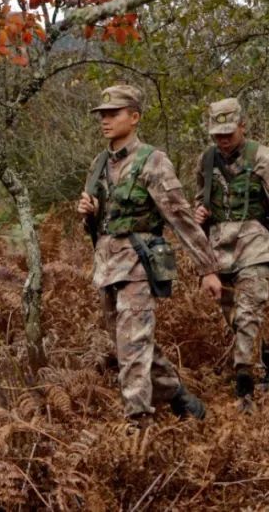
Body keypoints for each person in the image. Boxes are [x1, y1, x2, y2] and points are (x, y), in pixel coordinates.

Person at [77, 84, 223, 425]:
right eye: (102, 115)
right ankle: (178, 396)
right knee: (128, 342)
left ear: (135, 117)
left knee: (131, 346)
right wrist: (89, 210)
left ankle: (139, 425)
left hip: (139, 265)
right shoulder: (99, 163)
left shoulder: (152, 161)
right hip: (107, 266)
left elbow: (181, 217)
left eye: (114, 114)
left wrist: (208, 268)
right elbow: (99, 222)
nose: (106, 120)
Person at [193, 98, 269, 410]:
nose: (222, 139)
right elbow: (199, 198)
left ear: (242, 127)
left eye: (228, 133)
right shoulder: (206, 160)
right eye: (217, 133)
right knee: (235, 316)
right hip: (220, 247)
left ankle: (245, 385)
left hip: (255, 243)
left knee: (249, 313)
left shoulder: (262, 157)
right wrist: (199, 213)